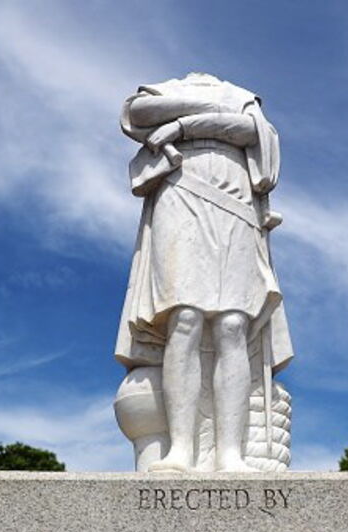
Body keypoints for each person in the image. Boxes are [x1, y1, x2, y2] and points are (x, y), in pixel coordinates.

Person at [114, 72, 293, 472]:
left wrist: (180, 126)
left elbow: (253, 132)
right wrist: (213, 113)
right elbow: (139, 113)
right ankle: (180, 450)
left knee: (233, 325)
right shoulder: (171, 87)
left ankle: (230, 454)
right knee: (185, 319)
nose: (205, 83)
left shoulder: (242, 95)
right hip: (180, 190)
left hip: (236, 199)